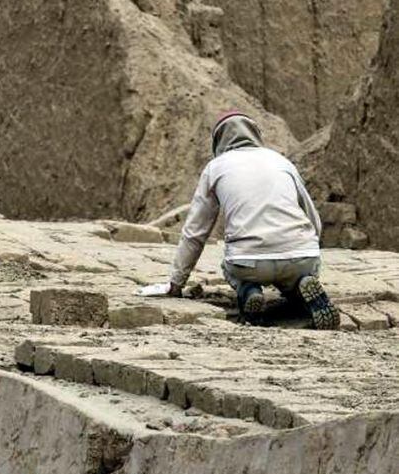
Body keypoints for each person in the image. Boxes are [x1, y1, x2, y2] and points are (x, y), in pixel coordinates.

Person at [140, 110, 340, 329]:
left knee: (229, 265)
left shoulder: (215, 168)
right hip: (301, 254)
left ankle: (249, 291)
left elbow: (195, 232)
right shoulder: (282, 161)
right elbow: (313, 218)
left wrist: (176, 283)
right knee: (297, 274)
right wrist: (307, 251)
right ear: (255, 134)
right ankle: (301, 287)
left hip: (249, 262)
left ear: (218, 141)